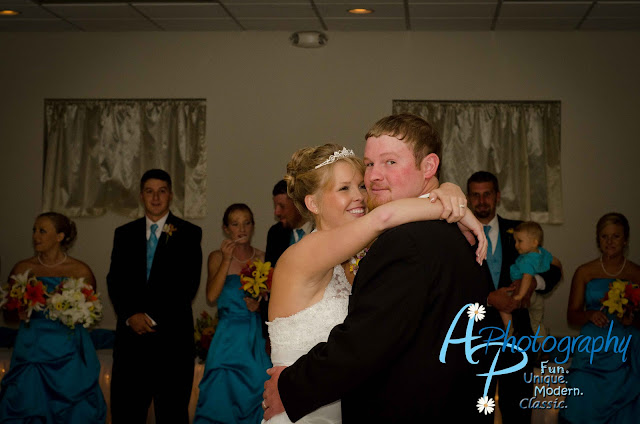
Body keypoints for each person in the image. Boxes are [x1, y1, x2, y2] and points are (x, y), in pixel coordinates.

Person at [263, 115, 498, 423]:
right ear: (313, 203)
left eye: (389, 163)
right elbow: (383, 218)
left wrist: (449, 195)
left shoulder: (400, 243)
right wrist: (451, 202)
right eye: (368, 167)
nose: (364, 190)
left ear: (429, 166)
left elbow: (364, 344)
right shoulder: (307, 254)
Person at [107, 169, 202, 424]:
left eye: (162, 191)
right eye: (150, 191)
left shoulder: (189, 233)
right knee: (126, 414)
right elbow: (115, 281)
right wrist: (131, 315)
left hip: (172, 344)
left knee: (172, 415)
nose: (156, 197)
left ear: (170, 195)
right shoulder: (124, 233)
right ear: (141, 195)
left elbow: (187, 285)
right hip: (131, 344)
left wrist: (150, 317)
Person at [467, 170, 563, 423]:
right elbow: (449, 286)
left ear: (498, 196)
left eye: (487, 194)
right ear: (468, 198)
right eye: (475, 195)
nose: (482, 201)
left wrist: (534, 284)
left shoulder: (519, 231)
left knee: (518, 412)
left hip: (519, 339)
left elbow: (553, 269)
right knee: (478, 412)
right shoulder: (458, 235)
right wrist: (488, 299)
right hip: (476, 340)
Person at [0, 212, 106, 423]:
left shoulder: (80, 270)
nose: (35, 236)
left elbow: (91, 314)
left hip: (68, 350)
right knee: (29, 405)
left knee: (74, 409)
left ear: (60, 236)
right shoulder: (23, 269)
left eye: (42, 231)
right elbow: (8, 315)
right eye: (34, 230)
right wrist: (17, 312)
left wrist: (74, 313)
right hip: (32, 349)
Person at [194, 203, 273, 423]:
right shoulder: (216, 257)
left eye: (246, 223)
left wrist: (259, 307)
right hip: (226, 339)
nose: (242, 229)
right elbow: (211, 296)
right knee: (220, 396)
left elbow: (273, 301)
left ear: (253, 226)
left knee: (258, 389)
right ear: (226, 228)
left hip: (254, 338)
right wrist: (227, 259)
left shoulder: (263, 258)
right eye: (235, 224)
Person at [560, 212, 640, 424]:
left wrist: (632, 320)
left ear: (625, 239)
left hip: (627, 346)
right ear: (598, 240)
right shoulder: (585, 272)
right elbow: (571, 316)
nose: (610, 241)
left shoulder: (636, 273)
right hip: (593, 346)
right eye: (604, 236)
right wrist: (589, 314)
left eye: (616, 236)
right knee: (581, 386)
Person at [502, 221, 560, 335]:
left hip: (525, 293)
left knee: (503, 306)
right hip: (538, 296)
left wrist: (520, 295)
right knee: (536, 322)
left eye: (519, 241)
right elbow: (554, 261)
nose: (516, 245)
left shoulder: (526, 260)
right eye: (515, 241)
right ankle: (542, 341)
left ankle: (509, 330)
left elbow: (527, 278)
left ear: (534, 242)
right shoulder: (542, 252)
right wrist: (560, 268)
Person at [265, 180, 312, 265]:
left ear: (298, 205)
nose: (276, 212)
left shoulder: (321, 229)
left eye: (282, 206)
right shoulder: (275, 233)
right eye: (275, 207)